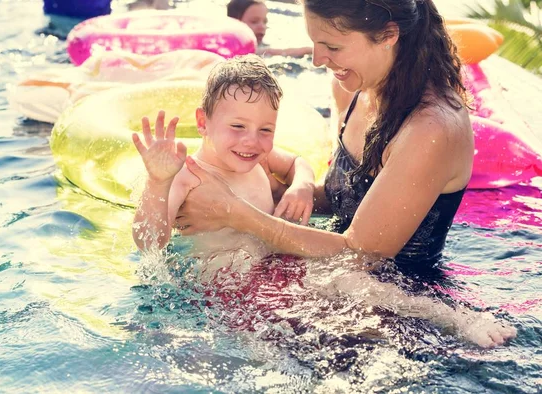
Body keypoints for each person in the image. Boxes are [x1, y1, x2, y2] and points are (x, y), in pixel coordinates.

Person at [174, 0, 517, 346]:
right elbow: (350, 196)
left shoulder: (430, 129)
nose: (317, 60)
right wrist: (286, 190)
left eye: (332, 46)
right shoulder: (351, 86)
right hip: (329, 275)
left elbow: (360, 253)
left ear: (387, 35)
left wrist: (235, 212)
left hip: (400, 310)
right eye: (314, 42)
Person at [131, 54, 316, 275]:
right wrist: (157, 182)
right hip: (219, 287)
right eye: (238, 126)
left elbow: (298, 162)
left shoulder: (259, 157)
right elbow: (149, 243)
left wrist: (302, 186)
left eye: (265, 130)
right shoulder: (187, 176)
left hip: (272, 267)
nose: (252, 141)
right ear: (202, 123)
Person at [226, 0, 312, 57]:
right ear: (235, 22)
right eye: (254, 21)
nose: (262, 26)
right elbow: (272, 52)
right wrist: (308, 50)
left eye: (265, 22)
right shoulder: (231, 50)